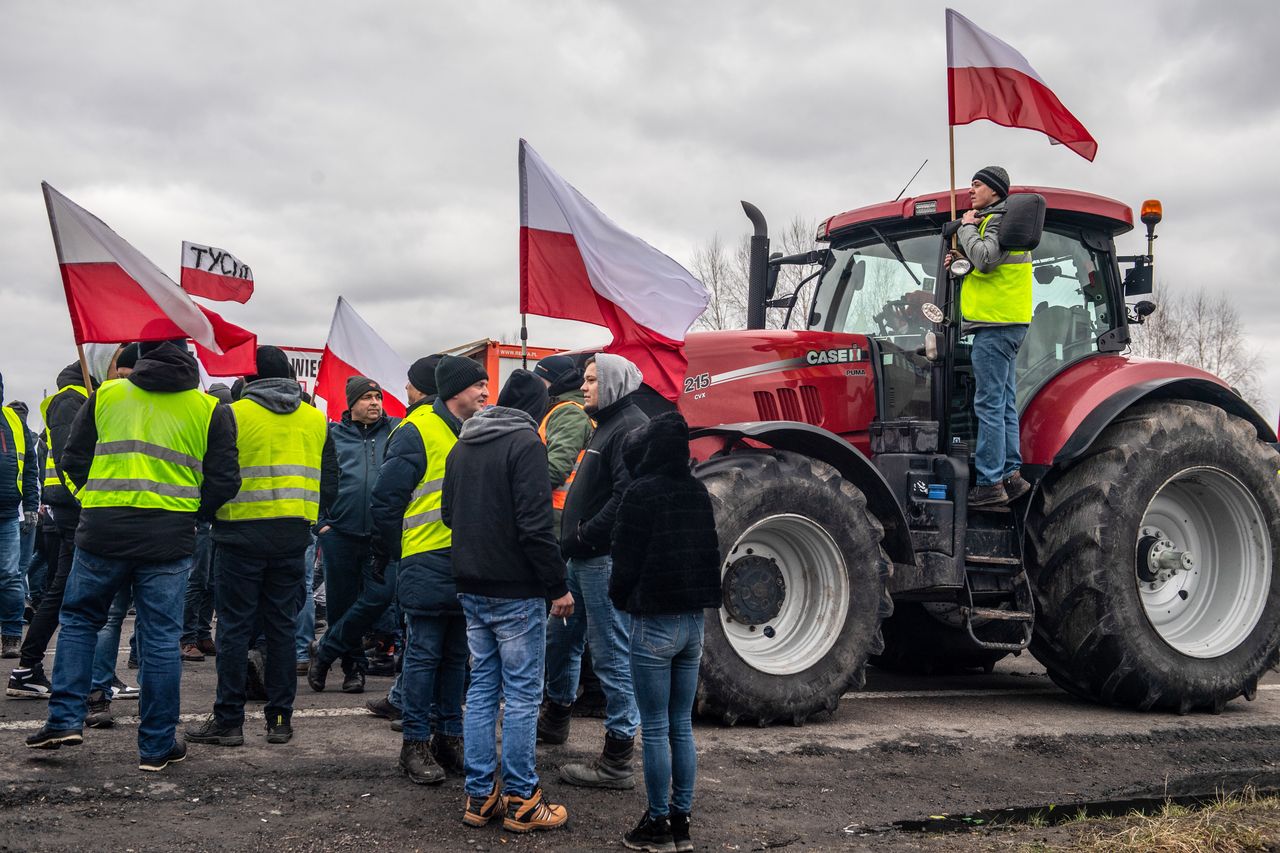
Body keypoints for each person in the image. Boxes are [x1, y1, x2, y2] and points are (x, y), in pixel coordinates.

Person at [24, 340, 240, 772]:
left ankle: (65, 718)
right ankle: (156, 747)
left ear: (142, 357)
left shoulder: (107, 394)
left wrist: (95, 499)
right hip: (168, 536)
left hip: (103, 530)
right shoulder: (210, 409)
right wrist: (193, 514)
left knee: (81, 621)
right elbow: (224, 479)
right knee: (160, 637)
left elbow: (73, 458)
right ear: (188, 358)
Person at [445, 369, 573, 833]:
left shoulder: (463, 445)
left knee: (481, 690)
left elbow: (447, 513)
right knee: (521, 696)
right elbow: (536, 527)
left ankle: (480, 797)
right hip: (516, 590)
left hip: (471, 584)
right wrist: (557, 585)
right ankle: (522, 798)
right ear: (535, 411)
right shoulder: (526, 446)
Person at [186, 346, 327, 747]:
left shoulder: (232, 413)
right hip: (293, 535)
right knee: (281, 630)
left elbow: (219, 474)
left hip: (238, 535)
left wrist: (205, 514)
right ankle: (280, 719)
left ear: (248, 379)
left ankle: (229, 720)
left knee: (233, 629)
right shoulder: (315, 419)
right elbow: (328, 476)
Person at [609, 412, 721, 852]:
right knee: (680, 725)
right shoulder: (697, 491)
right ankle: (682, 822)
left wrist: (621, 599)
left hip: (653, 621)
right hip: (694, 622)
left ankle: (657, 824)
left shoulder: (640, 493)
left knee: (653, 727)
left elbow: (624, 559)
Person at [371, 355, 485, 785]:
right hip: (424, 558)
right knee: (422, 656)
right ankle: (414, 744)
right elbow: (386, 500)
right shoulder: (416, 430)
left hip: (467, 561)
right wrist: (391, 553)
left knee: (457, 656)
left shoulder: (475, 430)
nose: (485, 393)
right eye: (479, 385)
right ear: (456, 391)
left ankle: (449, 737)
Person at [544, 353, 649, 789]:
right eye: (584, 379)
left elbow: (625, 498)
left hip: (601, 560)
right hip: (582, 559)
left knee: (611, 657)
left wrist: (583, 535)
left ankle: (618, 758)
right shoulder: (604, 423)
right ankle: (555, 720)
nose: (584, 387)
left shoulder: (629, 427)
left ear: (614, 383)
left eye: (591, 380)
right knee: (563, 639)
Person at [308, 375, 400, 692]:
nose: (375, 402)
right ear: (351, 403)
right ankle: (353, 670)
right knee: (340, 606)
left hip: (382, 536)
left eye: (378, 396)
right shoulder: (332, 435)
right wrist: (321, 524)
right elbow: (314, 478)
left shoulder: (396, 430)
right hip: (340, 533)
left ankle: (325, 651)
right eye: (367, 397)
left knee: (380, 597)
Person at [7, 362, 93, 696]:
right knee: (67, 592)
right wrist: (87, 500)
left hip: (68, 508)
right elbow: (72, 459)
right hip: (74, 509)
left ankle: (28, 668)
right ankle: (30, 668)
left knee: (65, 590)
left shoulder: (75, 399)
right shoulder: (71, 400)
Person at [952, 165, 1033, 507]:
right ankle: (1011, 476)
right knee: (1003, 404)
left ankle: (989, 482)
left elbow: (985, 258)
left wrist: (966, 229)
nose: (971, 191)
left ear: (995, 191)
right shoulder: (999, 222)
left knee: (988, 404)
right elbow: (987, 266)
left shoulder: (994, 220)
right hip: (1005, 323)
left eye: (977, 185)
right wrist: (961, 259)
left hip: (995, 326)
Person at [531, 355, 594, 538]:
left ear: (555, 382)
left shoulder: (569, 412)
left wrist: (522, 493)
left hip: (558, 512)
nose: (536, 387)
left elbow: (557, 468)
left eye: (540, 381)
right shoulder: (559, 408)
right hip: (556, 509)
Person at [0, 376, 39, 659]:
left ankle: (12, 635)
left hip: (6, 514)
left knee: (10, 576)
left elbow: (30, 469)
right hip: (10, 513)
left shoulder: (14, 422)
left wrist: (31, 506)